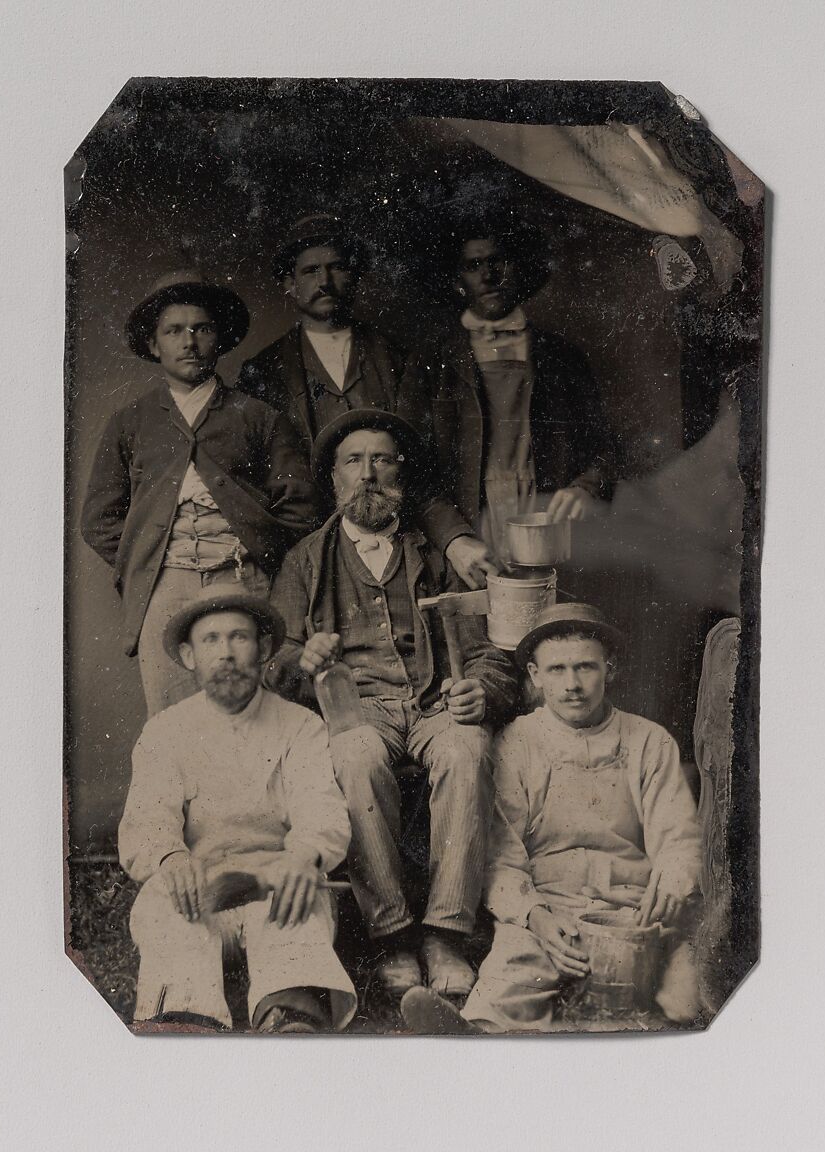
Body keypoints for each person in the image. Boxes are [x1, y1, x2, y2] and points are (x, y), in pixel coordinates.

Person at [265, 409, 518, 1003]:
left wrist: (480, 687)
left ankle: (446, 933)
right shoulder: (306, 559)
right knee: (353, 756)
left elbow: (494, 650)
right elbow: (275, 659)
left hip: (435, 701)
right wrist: (304, 660)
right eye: (354, 462)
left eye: (381, 460)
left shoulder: (438, 551)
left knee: (468, 743)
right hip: (359, 707)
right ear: (334, 479)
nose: (368, 475)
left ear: (401, 473)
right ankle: (394, 934)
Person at [401, 602, 702, 1034]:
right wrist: (534, 916)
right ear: (535, 677)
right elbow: (501, 854)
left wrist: (672, 883)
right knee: (510, 979)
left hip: (633, 907)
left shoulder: (649, 742)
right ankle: (470, 1038)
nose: (572, 685)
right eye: (556, 670)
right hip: (550, 907)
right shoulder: (516, 743)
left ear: (610, 670)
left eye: (585, 668)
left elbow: (678, 837)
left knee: (679, 1001)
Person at [118, 588, 357, 1033]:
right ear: (189, 656)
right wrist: (171, 857)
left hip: (275, 879)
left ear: (264, 649)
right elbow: (147, 820)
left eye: (239, 638)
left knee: (296, 911)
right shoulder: (165, 732)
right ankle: (188, 1023)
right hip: (199, 887)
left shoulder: (300, 726)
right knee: (170, 917)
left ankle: (289, 1019)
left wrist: (305, 857)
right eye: (210, 641)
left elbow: (320, 807)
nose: (226, 653)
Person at [81, 269, 318, 716]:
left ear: (219, 339)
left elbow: (300, 508)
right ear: (154, 345)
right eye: (173, 331)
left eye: (201, 328)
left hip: (241, 577)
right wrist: (148, 556)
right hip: (164, 585)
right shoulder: (130, 422)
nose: (188, 341)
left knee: (250, 711)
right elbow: (98, 519)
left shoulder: (259, 416)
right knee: (171, 718)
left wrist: (256, 554)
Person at [236, 214, 495, 588]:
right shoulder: (261, 373)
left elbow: (423, 472)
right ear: (289, 284)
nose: (324, 282)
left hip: (396, 544)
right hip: (307, 558)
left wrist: (454, 538)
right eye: (310, 271)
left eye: (336, 268)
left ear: (354, 277)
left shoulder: (401, 361)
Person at [399, 211, 618, 563]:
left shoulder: (562, 356)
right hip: (467, 528)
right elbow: (408, 469)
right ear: (458, 279)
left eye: (496, 261)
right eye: (473, 266)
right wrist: (452, 538)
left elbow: (606, 448)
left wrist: (586, 487)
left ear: (517, 267)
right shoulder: (430, 361)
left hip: (548, 519)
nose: (487, 276)